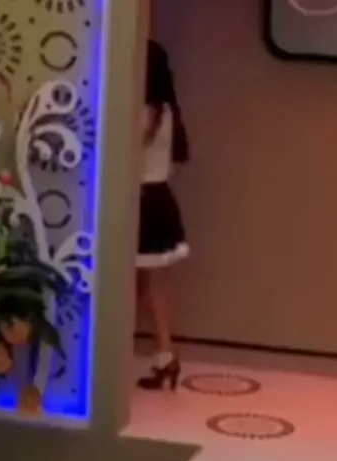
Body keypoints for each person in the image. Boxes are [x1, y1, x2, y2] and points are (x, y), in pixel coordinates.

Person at [136, 39, 190, 391]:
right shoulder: (168, 111)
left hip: (140, 199)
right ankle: (165, 354)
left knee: (134, 286)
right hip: (159, 197)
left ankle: (162, 355)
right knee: (151, 286)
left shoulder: (143, 113)